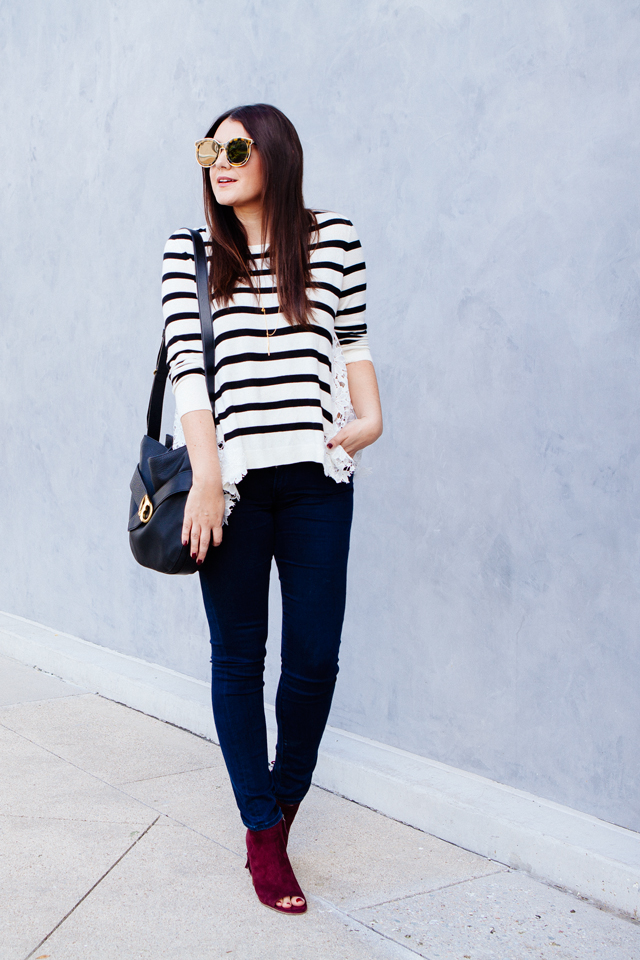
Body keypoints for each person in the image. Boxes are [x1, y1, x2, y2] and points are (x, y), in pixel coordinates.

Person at [162, 103, 383, 914]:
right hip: (234, 487)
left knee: (315, 661)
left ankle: (279, 809)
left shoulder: (334, 241)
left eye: (236, 147)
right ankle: (262, 830)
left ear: (277, 154)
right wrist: (211, 480)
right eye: (208, 150)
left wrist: (368, 423)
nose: (218, 162)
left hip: (319, 481)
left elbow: (352, 343)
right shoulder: (187, 254)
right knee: (237, 660)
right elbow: (191, 374)